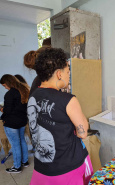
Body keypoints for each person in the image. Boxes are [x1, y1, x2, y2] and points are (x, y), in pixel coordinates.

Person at [29, 48, 93, 185]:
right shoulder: (68, 100)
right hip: (67, 167)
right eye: (68, 72)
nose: (68, 76)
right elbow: (83, 133)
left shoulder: (33, 96)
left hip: (42, 166)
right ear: (59, 74)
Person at [0, 74, 30, 173]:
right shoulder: (24, 91)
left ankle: (17, 167)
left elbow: (7, 111)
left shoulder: (9, 94)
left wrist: (1, 110)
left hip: (11, 124)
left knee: (15, 144)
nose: (5, 87)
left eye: (4, 85)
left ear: (8, 83)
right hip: (22, 121)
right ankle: (25, 162)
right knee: (22, 141)